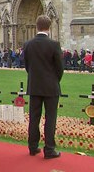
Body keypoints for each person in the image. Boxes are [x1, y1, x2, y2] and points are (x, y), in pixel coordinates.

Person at [23, 15, 63, 159]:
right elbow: (60, 68)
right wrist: (54, 80)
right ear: (49, 27)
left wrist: (35, 78)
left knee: (34, 118)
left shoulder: (28, 44)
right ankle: (49, 149)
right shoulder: (54, 44)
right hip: (51, 86)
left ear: (36, 26)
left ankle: (33, 147)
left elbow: (27, 66)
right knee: (50, 118)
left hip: (34, 86)